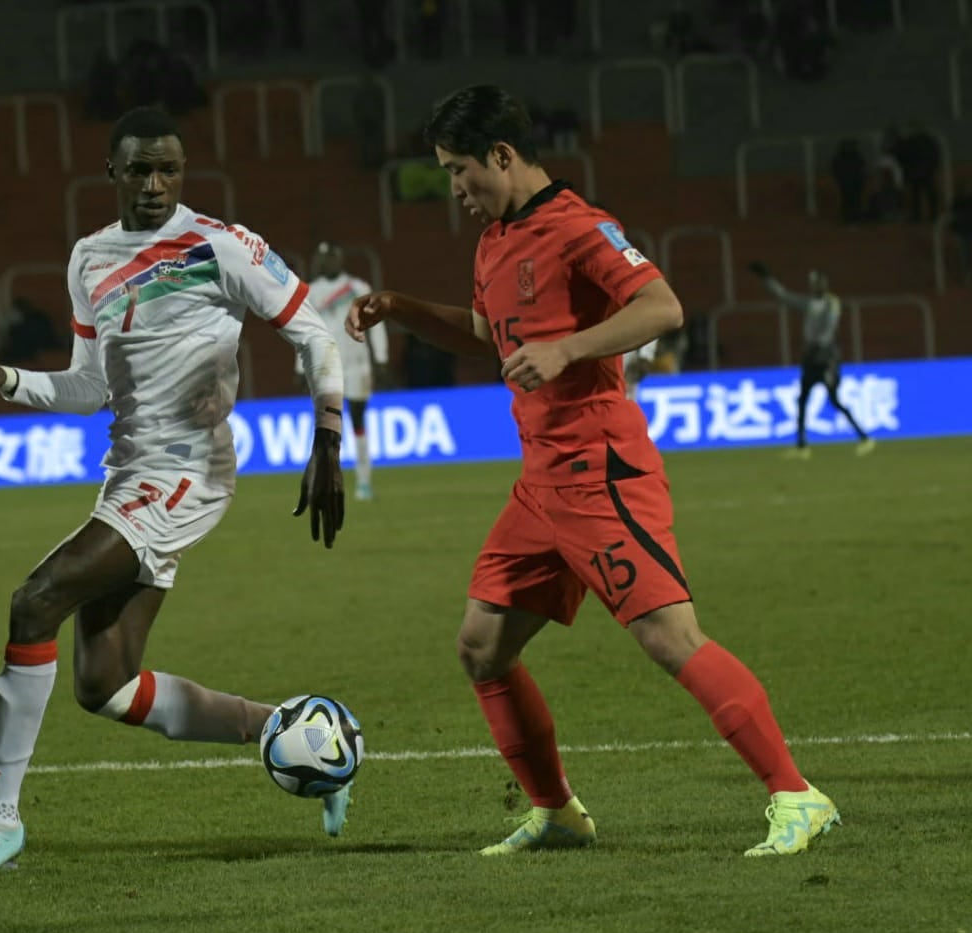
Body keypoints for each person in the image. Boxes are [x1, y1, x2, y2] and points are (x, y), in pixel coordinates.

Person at [347, 85, 840, 859]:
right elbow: (489, 334)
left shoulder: (581, 227)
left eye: (458, 170)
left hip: (599, 467)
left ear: (502, 157)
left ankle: (794, 793)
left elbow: (661, 306)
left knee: (669, 637)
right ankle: (556, 812)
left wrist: (570, 348)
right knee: (481, 646)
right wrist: (402, 305)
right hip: (540, 481)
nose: (453, 189)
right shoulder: (494, 241)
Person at [0, 106, 348, 877]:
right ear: (112, 174)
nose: (154, 184)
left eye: (168, 169)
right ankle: (280, 725)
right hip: (129, 470)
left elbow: (314, 331)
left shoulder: (221, 245)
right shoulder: (90, 258)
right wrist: (7, 379)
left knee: (34, 601)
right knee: (104, 683)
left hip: (189, 469)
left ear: (180, 173)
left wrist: (326, 430)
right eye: (140, 170)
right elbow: (88, 386)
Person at [749, 262, 875, 458]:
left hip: (827, 358)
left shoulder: (831, 303)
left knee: (834, 400)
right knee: (802, 400)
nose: (814, 285)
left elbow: (828, 328)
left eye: (817, 282)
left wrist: (817, 345)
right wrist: (767, 278)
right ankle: (802, 446)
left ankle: (865, 438)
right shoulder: (809, 303)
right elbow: (784, 296)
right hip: (811, 358)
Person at [297, 241, 389, 500]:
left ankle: (364, 481)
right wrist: (299, 366)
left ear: (340, 259)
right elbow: (302, 330)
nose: (327, 262)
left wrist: (380, 357)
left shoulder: (358, 288)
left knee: (358, 421)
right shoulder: (311, 292)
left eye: (332, 257)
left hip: (357, 362)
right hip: (325, 365)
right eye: (323, 258)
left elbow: (376, 323)